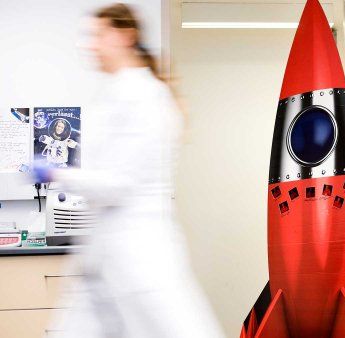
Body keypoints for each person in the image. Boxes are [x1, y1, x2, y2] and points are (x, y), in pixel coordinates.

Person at [33, 3, 224, 337]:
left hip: (141, 253)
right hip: (102, 256)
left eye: (97, 35)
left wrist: (55, 174)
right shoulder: (116, 95)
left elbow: (119, 183)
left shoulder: (147, 97)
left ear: (125, 36)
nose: (89, 45)